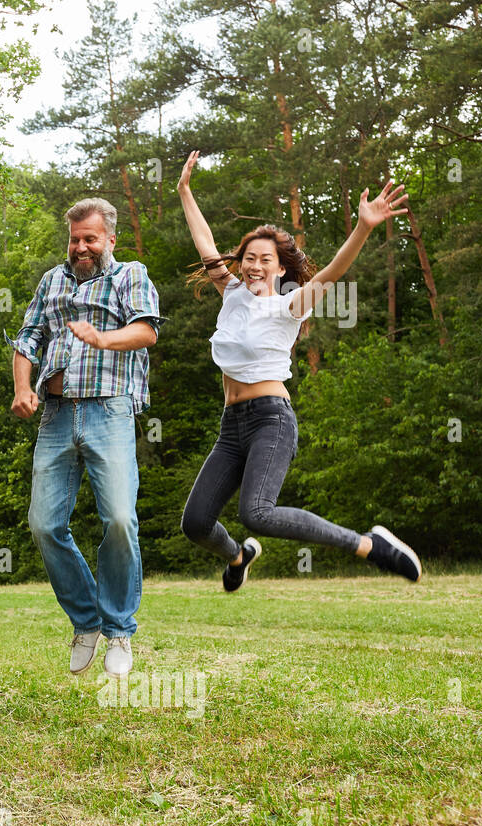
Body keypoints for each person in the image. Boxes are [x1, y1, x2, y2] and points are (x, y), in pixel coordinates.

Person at [175, 151, 423, 589]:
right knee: (195, 523)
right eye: (249, 257)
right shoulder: (231, 294)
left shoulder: (287, 305)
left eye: (265, 259)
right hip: (230, 426)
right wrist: (185, 192)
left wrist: (364, 226)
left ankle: (369, 545)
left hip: (271, 419)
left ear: (280, 267)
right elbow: (205, 243)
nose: (254, 265)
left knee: (258, 513)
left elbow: (331, 272)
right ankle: (238, 555)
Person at [11, 199, 164, 677]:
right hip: (55, 414)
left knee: (119, 518)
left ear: (109, 240)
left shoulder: (130, 275)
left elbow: (145, 332)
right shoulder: (52, 280)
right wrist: (22, 388)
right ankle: (87, 621)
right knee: (43, 524)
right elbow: (27, 338)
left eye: (90, 239)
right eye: (76, 238)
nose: (81, 247)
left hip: (109, 409)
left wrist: (102, 338)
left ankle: (119, 630)